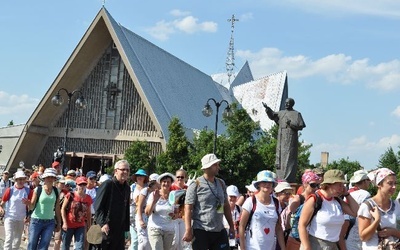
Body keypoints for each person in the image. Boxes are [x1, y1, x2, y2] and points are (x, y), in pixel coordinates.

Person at [183, 153, 234, 250]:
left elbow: (226, 205)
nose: (218, 167)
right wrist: (188, 229)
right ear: (207, 167)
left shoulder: (221, 183)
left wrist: (231, 225)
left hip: (219, 230)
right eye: (215, 165)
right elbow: (188, 208)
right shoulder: (195, 184)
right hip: (201, 230)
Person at [298, 169, 359, 250]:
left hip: (333, 245)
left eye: (343, 185)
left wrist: (347, 194)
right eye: (339, 185)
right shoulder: (314, 199)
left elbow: (356, 212)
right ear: (329, 184)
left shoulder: (337, 201)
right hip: (316, 244)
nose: (342, 188)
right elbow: (302, 225)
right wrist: (306, 247)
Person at [239, 170, 286, 250]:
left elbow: (278, 227)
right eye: (264, 181)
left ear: (273, 185)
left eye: (270, 182)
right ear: (259, 184)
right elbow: (242, 226)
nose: (267, 184)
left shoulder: (276, 203)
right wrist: (242, 248)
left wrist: (283, 248)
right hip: (252, 247)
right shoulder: (251, 201)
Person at [263, 98, 306, 183]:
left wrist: (291, 124)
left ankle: (288, 179)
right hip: (281, 136)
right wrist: (267, 109)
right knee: (280, 157)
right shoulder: (281, 112)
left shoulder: (296, 114)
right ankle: (280, 178)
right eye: (285, 103)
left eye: (288, 103)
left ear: (292, 104)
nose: (286, 104)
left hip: (290, 138)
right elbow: (273, 116)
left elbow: (300, 126)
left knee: (289, 157)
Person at [358, 168, 400, 249]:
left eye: (395, 183)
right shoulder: (367, 206)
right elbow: (363, 237)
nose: (394, 187)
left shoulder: (396, 205)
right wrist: (377, 220)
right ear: (379, 184)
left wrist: (393, 232)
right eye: (390, 183)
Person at [95, 160, 130, 250]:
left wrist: (127, 229)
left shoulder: (127, 188)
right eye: (123, 169)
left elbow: (126, 209)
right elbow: (98, 206)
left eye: (127, 170)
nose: (125, 172)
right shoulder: (108, 185)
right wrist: (103, 223)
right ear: (116, 171)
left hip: (119, 230)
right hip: (106, 228)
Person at [27, 167, 62, 250]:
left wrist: (59, 222)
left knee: (44, 246)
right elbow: (32, 206)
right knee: (32, 244)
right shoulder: (38, 189)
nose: (50, 179)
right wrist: (28, 204)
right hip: (36, 220)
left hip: (50, 222)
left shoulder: (56, 191)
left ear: (54, 179)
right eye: (48, 177)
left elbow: (57, 208)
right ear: (44, 178)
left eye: (52, 177)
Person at [285, 170, 321, 250]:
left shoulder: (318, 199)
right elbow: (290, 217)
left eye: (318, 185)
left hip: (311, 237)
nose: (316, 188)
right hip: (296, 238)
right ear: (305, 184)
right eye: (313, 185)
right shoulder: (298, 199)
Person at [0, 170, 33, 250]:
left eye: (22, 179)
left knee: (17, 241)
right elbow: (2, 203)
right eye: (19, 179)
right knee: (9, 238)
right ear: (16, 180)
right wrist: (1, 209)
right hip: (9, 217)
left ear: (25, 179)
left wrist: (29, 206)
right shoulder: (10, 190)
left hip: (21, 219)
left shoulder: (28, 191)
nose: (21, 181)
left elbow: (32, 206)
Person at [145, 172, 177, 250]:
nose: (166, 184)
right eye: (164, 182)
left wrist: (174, 216)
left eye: (168, 182)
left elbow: (177, 214)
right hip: (155, 228)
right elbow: (147, 212)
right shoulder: (154, 194)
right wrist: (154, 201)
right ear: (160, 183)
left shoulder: (174, 196)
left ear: (171, 183)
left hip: (169, 230)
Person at [61, 176, 92, 250]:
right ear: (76, 185)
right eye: (80, 184)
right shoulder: (70, 195)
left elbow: (88, 213)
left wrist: (89, 226)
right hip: (69, 225)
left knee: (79, 247)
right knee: (65, 246)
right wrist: (64, 222)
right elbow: (63, 209)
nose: (82, 186)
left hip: (81, 225)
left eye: (84, 184)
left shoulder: (88, 198)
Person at [342, 170, 371, 249]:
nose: (369, 182)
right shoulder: (365, 194)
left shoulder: (349, 192)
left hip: (346, 232)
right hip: (357, 231)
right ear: (364, 181)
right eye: (368, 180)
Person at [136, 173, 159, 250]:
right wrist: (140, 220)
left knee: (149, 242)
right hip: (142, 216)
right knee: (143, 242)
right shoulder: (145, 191)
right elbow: (139, 206)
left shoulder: (158, 192)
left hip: (151, 218)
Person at [130, 169, 149, 250]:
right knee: (135, 240)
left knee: (144, 241)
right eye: (138, 176)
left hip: (145, 216)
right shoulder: (132, 187)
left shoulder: (148, 188)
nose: (140, 177)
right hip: (132, 216)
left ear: (145, 178)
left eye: (142, 176)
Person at [224, 185, 242, 249]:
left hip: (235, 239)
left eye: (234, 196)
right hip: (223, 238)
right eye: (231, 196)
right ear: (226, 196)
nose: (233, 199)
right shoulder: (220, 208)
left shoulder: (240, 209)